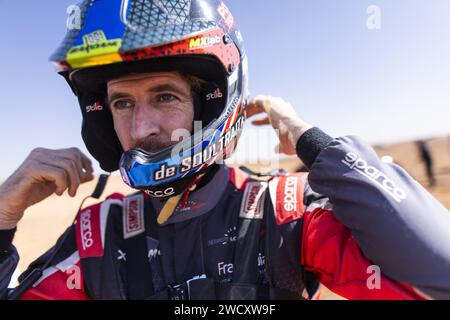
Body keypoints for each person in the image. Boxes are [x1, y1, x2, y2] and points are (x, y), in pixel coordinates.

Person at [1, 0, 450, 300]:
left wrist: (310, 140)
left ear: (211, 101)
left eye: (165, 96)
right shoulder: (97, 235)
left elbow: (438, 274)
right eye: (122, 103)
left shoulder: (286, 213)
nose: (141, 127)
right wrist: (2, 219)